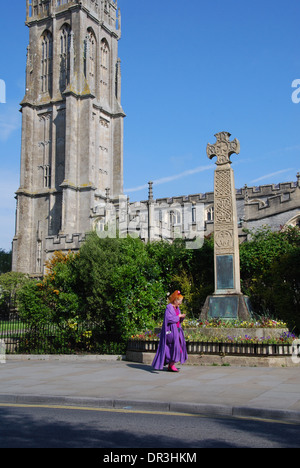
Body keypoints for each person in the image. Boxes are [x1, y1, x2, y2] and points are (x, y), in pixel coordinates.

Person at [152, 290, 188, 372]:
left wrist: (181, 317)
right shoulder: (169, 307)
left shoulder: (177, 308)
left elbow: (178, 320)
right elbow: (169, 319)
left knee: (179, 348)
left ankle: (171, 364)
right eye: (179, 301)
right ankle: (171, 365)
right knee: (173, 348)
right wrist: (178, 316)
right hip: (171, 332)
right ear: (175, 300)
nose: (180, 303)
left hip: (178, 331)